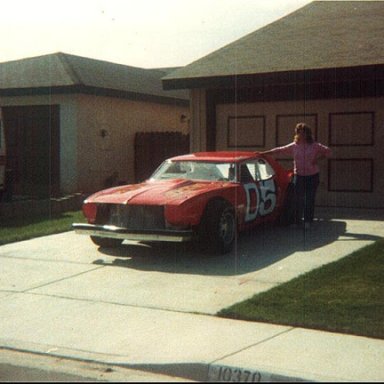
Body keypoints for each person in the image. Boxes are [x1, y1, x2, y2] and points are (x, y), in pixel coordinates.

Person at [260, 122, 331, 229]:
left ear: (308, 134)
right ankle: (297, 221)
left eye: (303, 133)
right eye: (299, 133)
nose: (301, 135)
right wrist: (264, 153)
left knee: (309, 199)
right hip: (299, 176)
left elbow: (328, 152)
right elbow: (280, 150)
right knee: (298, 199)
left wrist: (317, 159)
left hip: (312, 176)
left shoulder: (315, 146)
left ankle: (308, 221)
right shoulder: (294, 146)